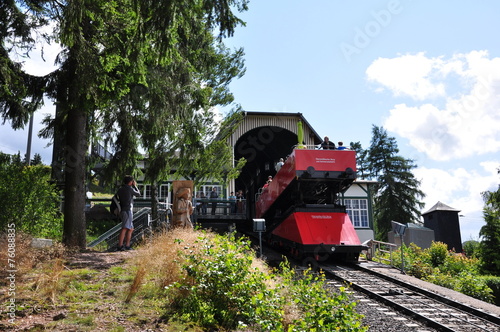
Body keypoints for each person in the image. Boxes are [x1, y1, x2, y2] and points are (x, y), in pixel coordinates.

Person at [117, 175, 141, 251]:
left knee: (130, 228)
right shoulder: (129, 189)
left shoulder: (120, 189)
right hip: (127, 210)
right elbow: (138, 194)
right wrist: (135, 186)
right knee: (125, 228)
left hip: (123, 210)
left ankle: (127, 245)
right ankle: (120, 245)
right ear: (130, 182)